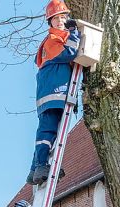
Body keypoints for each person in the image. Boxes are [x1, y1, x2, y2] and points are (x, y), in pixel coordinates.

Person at [27, 0, 81, 185]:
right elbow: (70, 53)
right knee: (49, 130)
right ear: (50, 22)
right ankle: (41, 165)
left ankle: (35, 168)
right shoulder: (52, 40)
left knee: (47, 131)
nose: (60, 21)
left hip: (50, 93)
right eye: (56, 18)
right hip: (55, 93)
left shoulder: (50, 41)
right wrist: (75, 33)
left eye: (63, 17)